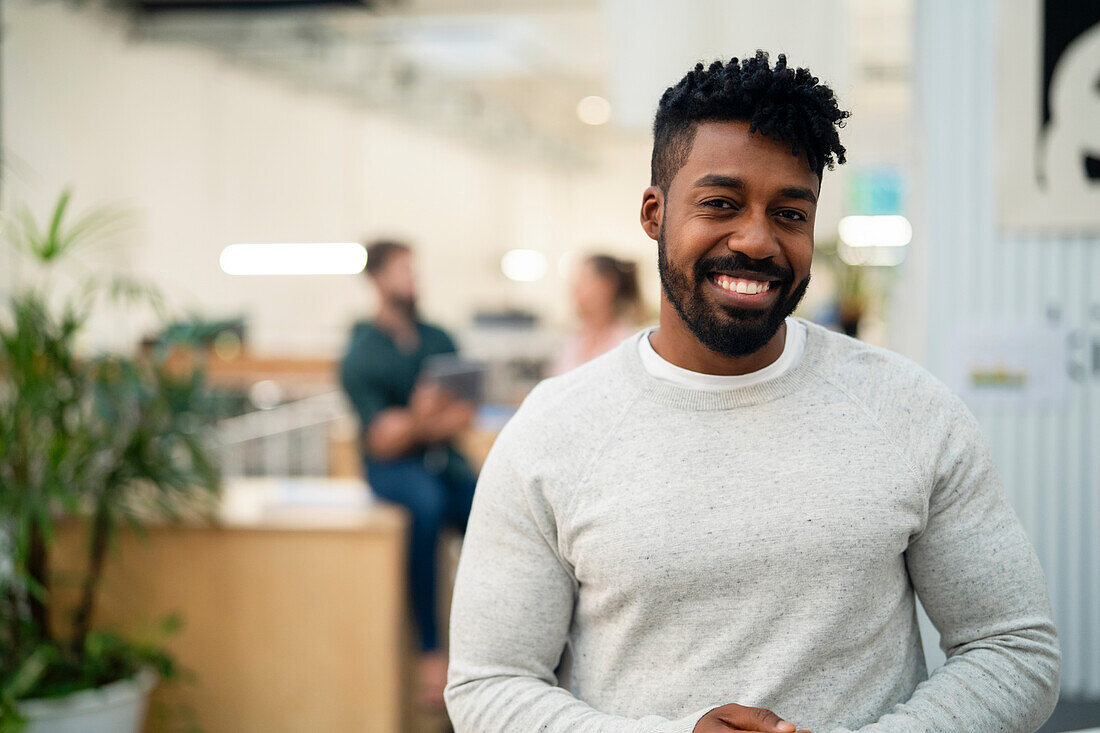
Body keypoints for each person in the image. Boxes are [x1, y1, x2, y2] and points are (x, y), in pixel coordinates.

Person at [445, 52, 1060, 733]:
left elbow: (1013, 650)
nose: (758, 240)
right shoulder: (553, 431)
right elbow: (489, 684)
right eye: (720, 203)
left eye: (790, 213)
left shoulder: (910, 409)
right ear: (654, 213)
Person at [339, 240, 478, 711]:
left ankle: (499, 635)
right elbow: (381, 439)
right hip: (391, 471)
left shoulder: (439, 337)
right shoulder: (360, 354)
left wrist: (416, 422)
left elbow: (462, 413)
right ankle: (430, 653)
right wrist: (423, 420)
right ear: (377, 279)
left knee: (489, 504)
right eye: (403, 270)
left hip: (443, 460)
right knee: (425, 505)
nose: (414, 279)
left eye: (415, 270)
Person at [551, 254, 644, 376]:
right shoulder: (572, 339)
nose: (574, 289)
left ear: (607, 286)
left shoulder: (627, 344)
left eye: (583, 280)